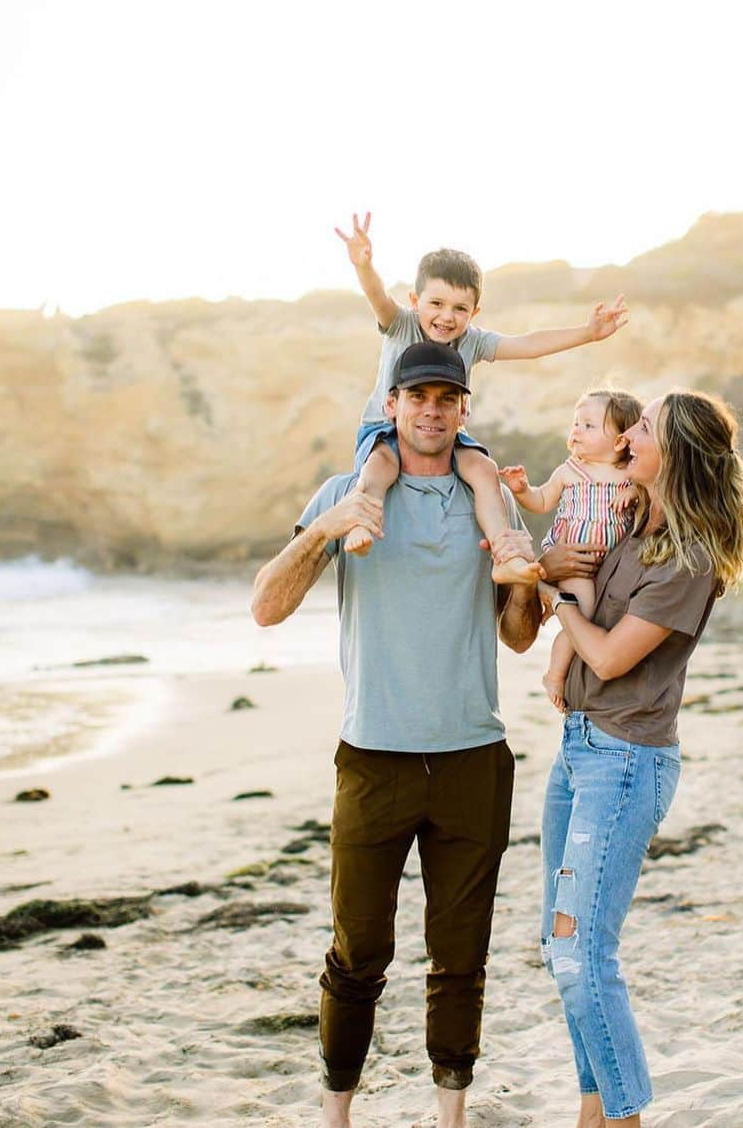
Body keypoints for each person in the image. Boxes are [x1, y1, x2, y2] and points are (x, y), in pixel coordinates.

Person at [250, 341, 543, 1128]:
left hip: (473, 759)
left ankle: (450, 1118)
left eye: (447, 399)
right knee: (356, 957)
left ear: (463, 412)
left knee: (460, 960)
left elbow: (518, 635)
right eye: (418, 398)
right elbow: (266, 607)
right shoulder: (350, 491)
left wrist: (524, 591)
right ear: (392, 406)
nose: (431, 411)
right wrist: (325, 529)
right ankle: (336, 1116)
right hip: (373, 759)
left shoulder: (488, 499)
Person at [533, 389, 743, 1126]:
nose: (628, 435)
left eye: (643, 429)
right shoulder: (633, 524)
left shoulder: (690, 559)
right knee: (561, 951)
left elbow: (604, 657)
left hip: (625, 762)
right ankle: (591, 1116)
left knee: (583, 957)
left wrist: (555, 592)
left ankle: (626, 1120)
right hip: (577, 752)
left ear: (675, 454)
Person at [334, 212, 629, 582]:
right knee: (381, 465)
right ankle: (362, 520)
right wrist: (365, 265)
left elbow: (528, 345)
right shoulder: (402, 323)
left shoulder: (472, 340)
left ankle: (504, 552)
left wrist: (587, 333)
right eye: (436, 304)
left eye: (460, 308)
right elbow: (378, 297)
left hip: (444, 432)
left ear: (474, 312)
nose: (446, 316)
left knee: (484, 471)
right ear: (415, 300)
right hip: (384, 428)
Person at [498, 388, 643, 711]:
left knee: (594, 618)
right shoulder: (570, 471)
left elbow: (651, 486)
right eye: (576, 423)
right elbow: (541, 501)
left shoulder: (630, 474)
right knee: (583, 616)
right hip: (574, 563)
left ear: (620, 441)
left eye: (589, 426)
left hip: (605, 566)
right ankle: (555, 673)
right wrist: (522, 490)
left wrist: (633, 490)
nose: (576, 430)